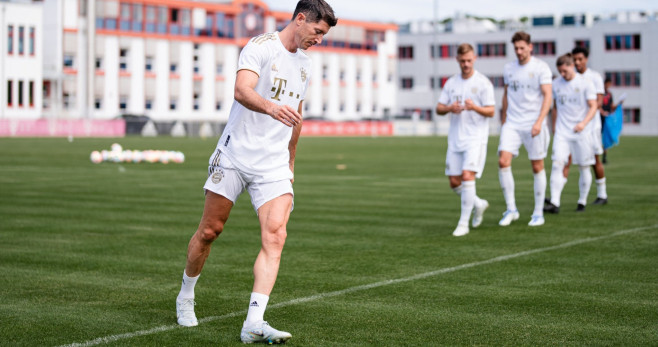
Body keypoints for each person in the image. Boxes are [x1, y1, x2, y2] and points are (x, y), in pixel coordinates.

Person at [174, 1, 337, 344]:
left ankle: (253, 323)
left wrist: (290, 163)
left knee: (276, 236)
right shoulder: (260, 47)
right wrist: (270, 106)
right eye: (318, 32)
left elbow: (297, 119)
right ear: (301, 19)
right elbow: (241, 91)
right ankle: (186, 295)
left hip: (273, 165)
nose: (319, 39)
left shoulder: (305, 66)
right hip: (234, 155)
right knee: (209, 231)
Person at [436, 43, 495, 237]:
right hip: (455, 138)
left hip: (475, 139)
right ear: (457, 60)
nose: (466, 64)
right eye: (462, 61)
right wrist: (449, 108)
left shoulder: (484, 83)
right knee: (454, 181)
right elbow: (439, 108)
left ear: (474, 59)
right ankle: (478, 204)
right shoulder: (451, 83)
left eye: (469, 60)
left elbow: (491, 111)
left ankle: (463, 223)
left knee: (468, 176)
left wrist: (474, 107)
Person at [497, 31, 553, 227]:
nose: (519, 52)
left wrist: (539, 121)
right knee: (503, 161)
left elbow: (548, 96)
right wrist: (504, 120)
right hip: (512, 123)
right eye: (516, 48)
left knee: (537, 166)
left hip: (533, 123)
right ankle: (511, 209)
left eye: (522, 48)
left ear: (530, 47)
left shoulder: (541, 68)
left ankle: (538, 213)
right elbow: (506, 94)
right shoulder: (508, 68)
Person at [544, 54, 598, 213]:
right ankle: (554, 203)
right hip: (562, 131)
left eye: (564, 71)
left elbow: (593, 106)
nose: (562, 74)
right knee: (556, 164)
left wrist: (583, 123)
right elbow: (553, 106)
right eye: (560, 71)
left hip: (582, 132)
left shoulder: (585, 83)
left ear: (572, 66)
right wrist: (553, 126)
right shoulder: (555, 84)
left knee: (583, 166)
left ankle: (582, 201)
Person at [558, 47, 608, 205]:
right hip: (570, 128)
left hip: (590, 127)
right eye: (575, 59)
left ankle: (602, 194)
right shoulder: (568, 78)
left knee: (593, 160)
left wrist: (584, 118)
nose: (578, 62)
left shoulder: (594, 77)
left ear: (586, 59)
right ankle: (555, 196)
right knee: (564, 159)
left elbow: (598, 101)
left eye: (580, 59)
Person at [600, 78, 616, 163]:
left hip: (607, 120)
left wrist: (619, 104)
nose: (608, 86)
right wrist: (602, 112)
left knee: (605, 139)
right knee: (597, 138)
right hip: (600, 119)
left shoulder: (610, 94)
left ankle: (604, 158)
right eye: (608, 84)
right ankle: (595, 158)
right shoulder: (600, 93)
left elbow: (612, 106)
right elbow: (597, 105)